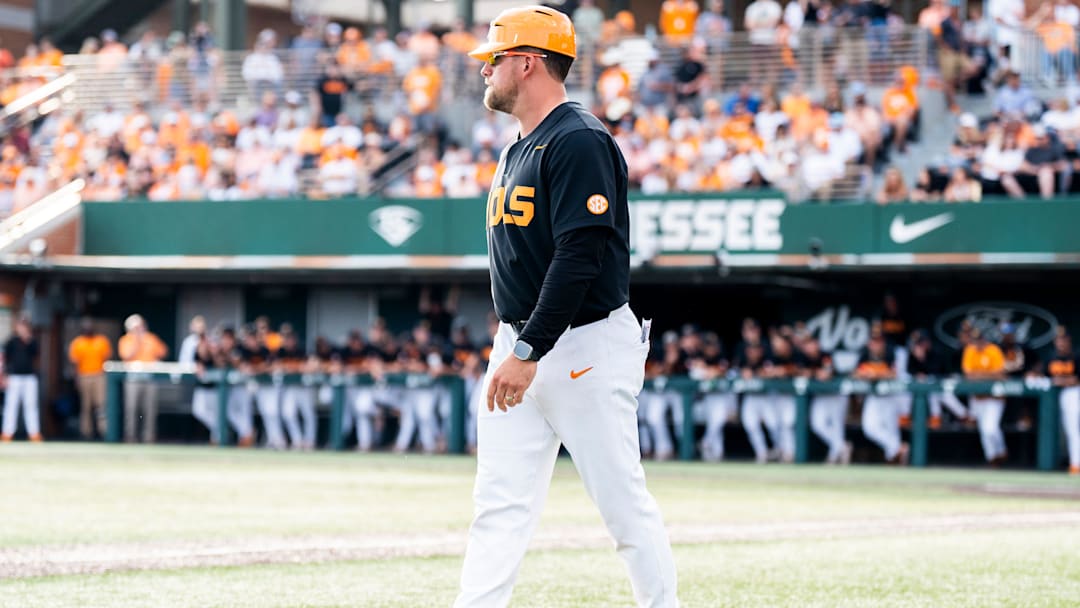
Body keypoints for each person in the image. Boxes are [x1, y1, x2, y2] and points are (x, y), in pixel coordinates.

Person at [459, 7, 678, 606]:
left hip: (582, 343)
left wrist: (530, 347)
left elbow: (580, 257)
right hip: (521, 342)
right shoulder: (518, 146)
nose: (485, 69)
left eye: (493, 58)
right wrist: (516, 343)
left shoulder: (578, 137)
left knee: (622, 510)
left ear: (527, 61)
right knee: (498, 507)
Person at [118, 314, 168, 443]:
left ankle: (149, 437)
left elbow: (163, 352)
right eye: (135, 327)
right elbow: (126, 356)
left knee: (150, 409)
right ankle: (130, 437)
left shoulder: (151, 338)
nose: (139, 329)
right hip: (133, 378)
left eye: (140, 326)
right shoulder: (126, 340)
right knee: (132, 408)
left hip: (149, 378)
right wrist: (137, 341)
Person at [962, 328, 1007, 465]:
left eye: (980, 340)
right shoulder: (970, 350)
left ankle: (1000, 452)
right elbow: (968, 375)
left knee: (990, 429)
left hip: (994, 398)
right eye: (975, 340)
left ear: (984, 339)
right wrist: (988, 375)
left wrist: (979, 375)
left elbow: (1000, 375)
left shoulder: (993, 350)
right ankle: (993, 459)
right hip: (977, 398)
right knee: (984, 431)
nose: (977, 343)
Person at [68, 317, 113, 439]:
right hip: (84, 376)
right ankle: (86, 432)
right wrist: (76, 379)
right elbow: (74, 364)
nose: (88, 329)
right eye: (85, 326)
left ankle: (103, 430)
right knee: (85, 406)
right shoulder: (78, 342)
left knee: (101, 404)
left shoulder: (101, 341)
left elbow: (107, 359)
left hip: (99, 375)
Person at [2, 318, 41, 442]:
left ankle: (34, 433)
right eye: (20, 327)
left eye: (24, 327)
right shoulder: (11, 341)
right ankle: (7, 433)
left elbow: (36, 354)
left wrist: (28, 339)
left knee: (31, 405)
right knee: (11, 405)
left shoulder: (32, 341)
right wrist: (4, 376)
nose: (22, 329)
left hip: (29, 377)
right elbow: (5, 360)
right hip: (14, 377)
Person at [1047, 330, 1080, 475]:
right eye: (1058, 340)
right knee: (1062, 431)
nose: (1060, 343)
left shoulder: (1076, 356)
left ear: (1068, 341)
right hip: (1055, 395)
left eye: (1063, 340)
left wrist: (1061, 381)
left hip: (1073, 393)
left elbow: (1076, 380)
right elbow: (1044, 375)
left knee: (1073, 429)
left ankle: (1075, 464)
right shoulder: (1051, 356)